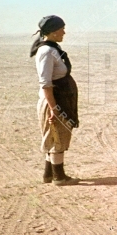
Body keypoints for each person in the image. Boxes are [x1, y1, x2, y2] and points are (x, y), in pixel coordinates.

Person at [29, 15, 80, 186]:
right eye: (61, 29)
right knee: (57, 137)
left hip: (60, 98)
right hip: (55, 100)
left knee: (53, 136)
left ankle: (48, 174)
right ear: (52, 31)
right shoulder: (46, 52)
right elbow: (45, 82)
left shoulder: (52, 48)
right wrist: (53, 108)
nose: (64, 32)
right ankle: (59, 177)